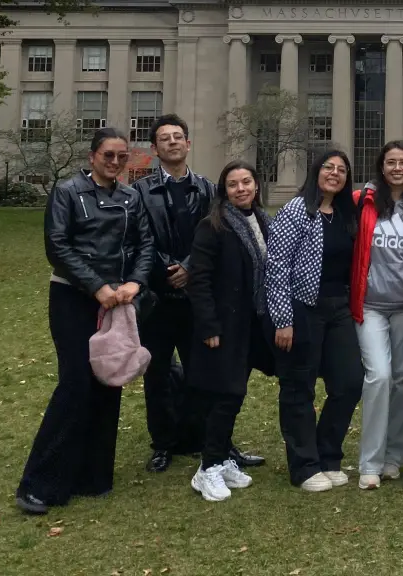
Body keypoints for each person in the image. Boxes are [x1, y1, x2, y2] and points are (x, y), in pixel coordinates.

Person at [16, 128, 154, 515]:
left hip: (117, 300)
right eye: (108, 155)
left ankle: (94, 475)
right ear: (92, 156)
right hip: (73, 297)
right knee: (76, 384)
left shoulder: (131, 197)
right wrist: (96, 286)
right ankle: (40, 483)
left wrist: (135, 282)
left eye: (122, 156)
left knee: (109, 379)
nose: (115, 162)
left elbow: (145, 244)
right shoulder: (67, 192)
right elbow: (57, 246)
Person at [132, 114, 260, 473]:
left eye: (178, 137)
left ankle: (217, 442)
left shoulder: (207, 189)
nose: (172, 142)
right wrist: (166, 270)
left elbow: (216, 234)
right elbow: (140, 239)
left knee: (208, 374)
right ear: (155, 147)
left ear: (188, 144)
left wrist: (189, 267)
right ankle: (163, 443)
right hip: (157, 299)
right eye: (165, 138)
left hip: (198, 300)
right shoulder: (139, 192)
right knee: (157, 374)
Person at [266, 150, 364, 493]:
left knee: (350, 381)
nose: (334, 173)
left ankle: (327, 455)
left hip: (339, 308)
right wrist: (283, 319)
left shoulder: (345, 214)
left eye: (341, 170)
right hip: (302, 307)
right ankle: (304, 465)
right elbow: (276, 267)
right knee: (299, 387)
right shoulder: (296, 210)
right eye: (328, 167)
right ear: (315, 172)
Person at [184, 160, 274, 502]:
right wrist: (209, 325)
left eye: (246, 182)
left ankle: (221, 458)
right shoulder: (213, 226)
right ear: (224, 191)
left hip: (251, 324)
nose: (241, 189)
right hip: (224, 325)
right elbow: (199, 279)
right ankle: (207, 468)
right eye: (233, 184)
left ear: (256, 185)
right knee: (225, 395)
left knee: (234, 395)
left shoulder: (262, 220)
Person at [351, 141, 403, 490]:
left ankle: (393, 457)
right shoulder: (363, 201)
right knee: (379, 376)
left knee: (402, 379)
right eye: (391, 162)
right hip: (369, 306)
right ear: (381, 167)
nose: (397, 168)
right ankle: (369, 462)